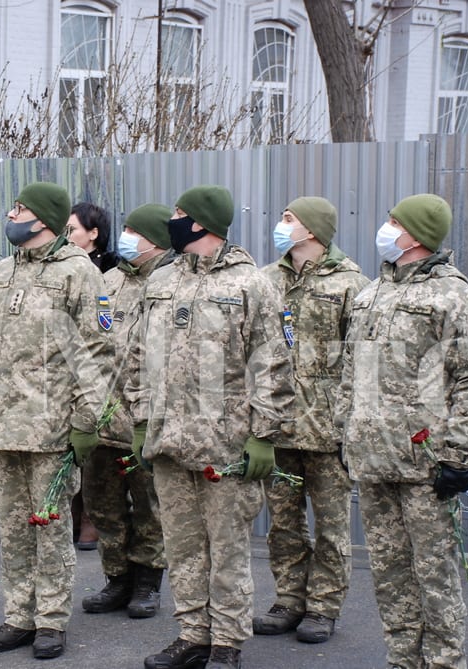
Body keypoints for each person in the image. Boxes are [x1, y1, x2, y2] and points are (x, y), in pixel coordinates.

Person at [127, 185, 296, 669]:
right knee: (181, 547)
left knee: (226, 549)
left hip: (226, 442)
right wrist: (141, 422)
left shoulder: (252, 284)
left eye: (180, 214)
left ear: (202, 222)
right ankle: (193, 633)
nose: (173, 221)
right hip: (167, 439)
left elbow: (274, 365)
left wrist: (263, 436)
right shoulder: (162, 280)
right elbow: (138, 357)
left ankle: (226, 641)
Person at [338, 194, 468, 669]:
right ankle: (403, 658)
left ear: (418, 234)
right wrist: (344, 433)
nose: (385, 228)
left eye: (394, 221)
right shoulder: (372, 292)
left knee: (435, 575)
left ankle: (443, 661)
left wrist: (457, 455)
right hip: (374, 459)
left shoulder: (454, 294)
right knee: (390, 573)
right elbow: (350, 372)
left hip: (425, 465)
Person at [0, 182, 114, 660]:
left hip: (52, 427)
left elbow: (96, 354)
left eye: (20, 209)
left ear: (45, 219)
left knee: (50, 527)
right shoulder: (2, 271)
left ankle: (51, 620)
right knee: (12, 528)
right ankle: (18, 616)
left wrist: (85, 421)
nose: (11, 214)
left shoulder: (78, 272)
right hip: (5, 426)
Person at [255, 197, 369, 644]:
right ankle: (288, 599)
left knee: (331, 525)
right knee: (282, 522)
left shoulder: (351, 284)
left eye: (289, 219)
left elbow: (361, 362)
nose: (281, 226)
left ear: (315, 229)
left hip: (327, 430)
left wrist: (350, 426)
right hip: (278, 426)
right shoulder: (265, 280)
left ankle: (323, 607)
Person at [81, 203, 172, 619]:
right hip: (103, 418)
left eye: (136, 230)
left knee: (150, 506)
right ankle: (116, 579)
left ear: (156, 240)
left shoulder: (171, 284)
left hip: (147, 420)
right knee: (104, 505)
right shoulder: (108, 280)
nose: (127, 236)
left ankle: (148, 582)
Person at [66, 201, 116, 549]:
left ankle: (89, 517)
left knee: (94, 451)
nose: (66, 236)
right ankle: (68, 512)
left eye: (72, 230)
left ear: (94, 234)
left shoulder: (110, 271)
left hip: (95, 368)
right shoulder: (63, 268)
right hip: (62, 367)